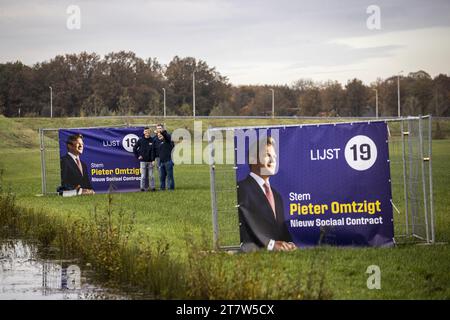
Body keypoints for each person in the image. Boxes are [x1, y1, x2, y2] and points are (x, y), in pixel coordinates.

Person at [237, 136, 295, 252]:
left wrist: (289, 243)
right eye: (268, 155)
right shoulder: (241, 189)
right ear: (253, 159)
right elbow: (247, 227)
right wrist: (270, 245)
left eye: (274, 157)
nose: (273, 161)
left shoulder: (277, 196)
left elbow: (280, 229)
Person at [133, 127, 156, 191]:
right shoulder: (140, 140)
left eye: (148, 131)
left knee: (151, 176)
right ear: (144, 132)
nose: (147, 132)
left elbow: (153, 151)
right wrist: (138, 156)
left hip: (150, 161)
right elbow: (134, 148)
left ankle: (153, 187)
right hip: (143, 161)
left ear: (150, 132)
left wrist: (153, 160)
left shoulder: (152, 140)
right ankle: (142, 188)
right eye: (145, 131)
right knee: (143, 176)